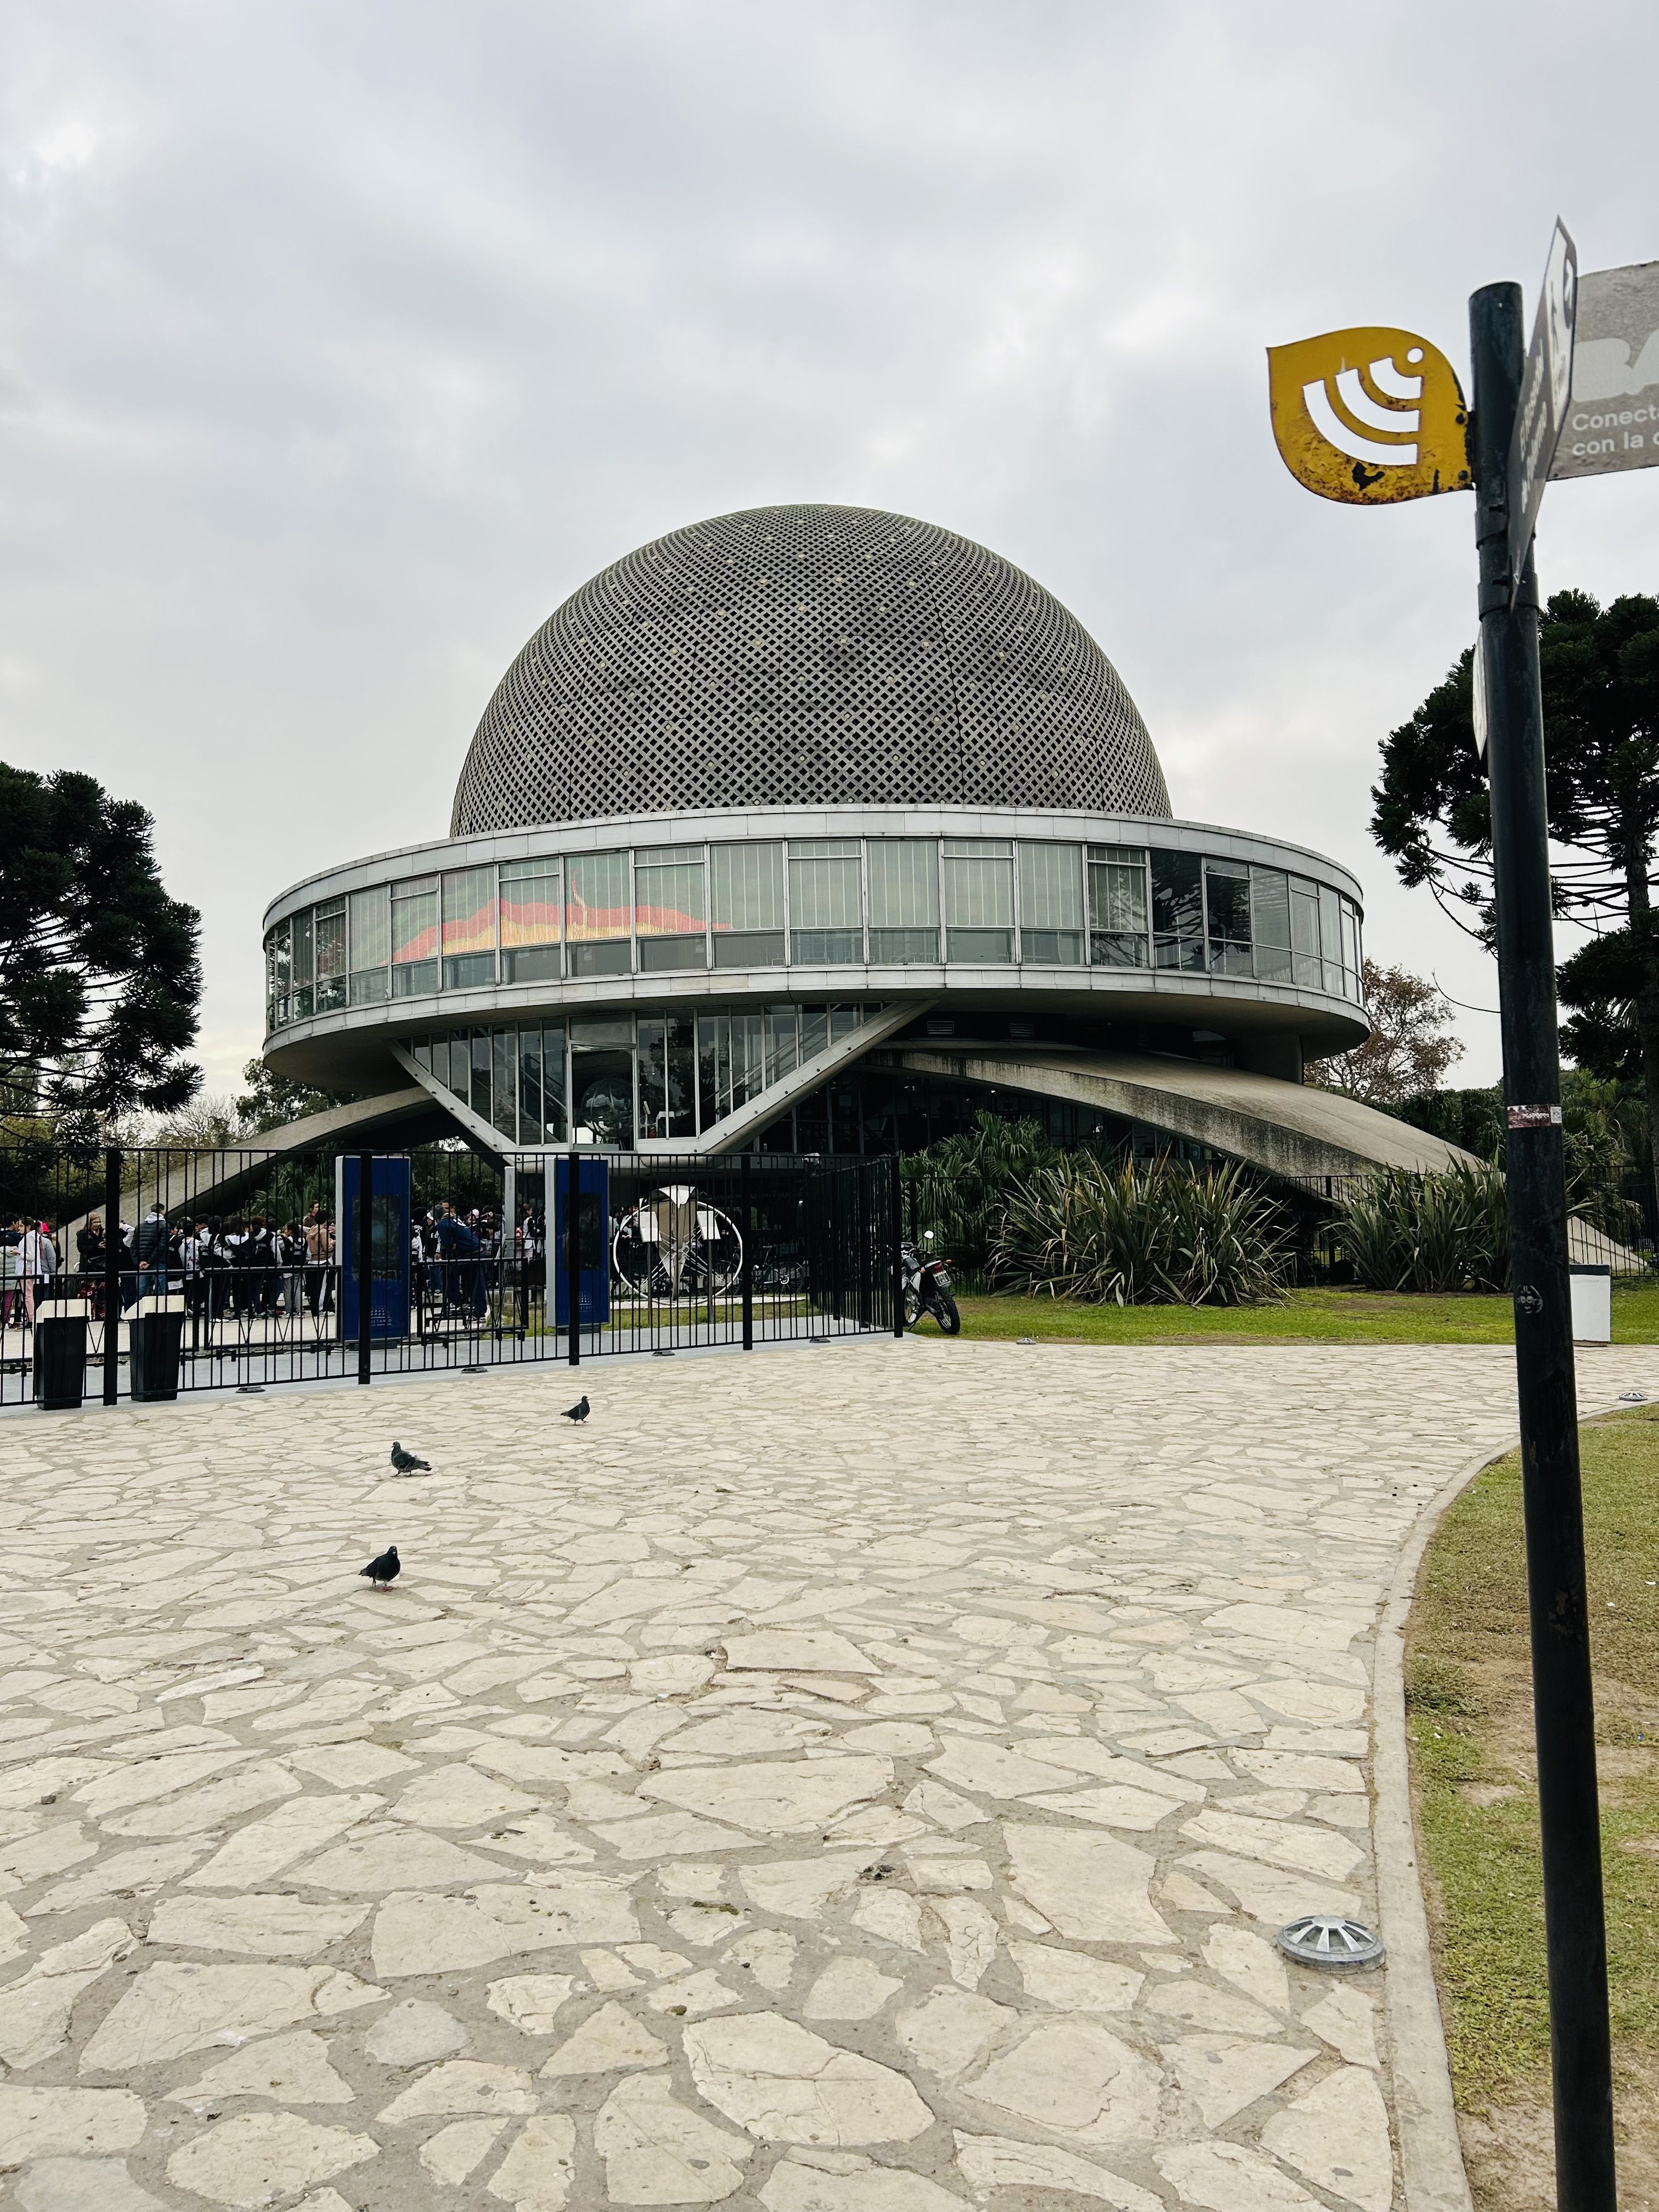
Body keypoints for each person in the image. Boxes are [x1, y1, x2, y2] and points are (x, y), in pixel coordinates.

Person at [133, 1204, 171, 1302]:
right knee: (161, 1289)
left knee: (142, 1290)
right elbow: (162, 1246)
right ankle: (160, 1314)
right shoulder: (164, 1225)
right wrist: (150, 1262)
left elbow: (133, 1246)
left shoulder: (141, 1226)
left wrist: (139, 1262)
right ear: (162, 1212)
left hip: (143, 1262)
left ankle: (138, 1314)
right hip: (159, 1261)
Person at [76, 1214, 106, 1317]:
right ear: (89, 1223)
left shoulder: (102, 1233)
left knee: (102, 1292)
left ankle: (100, 1314)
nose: (97, 1225)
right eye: (95, 1222)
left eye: (99, 1222)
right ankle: (86, 1314)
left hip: (102, 1266)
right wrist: (97, 1246)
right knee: (88, 1293)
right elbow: (81, 1249)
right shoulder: (83, 1234)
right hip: (89, 1267)